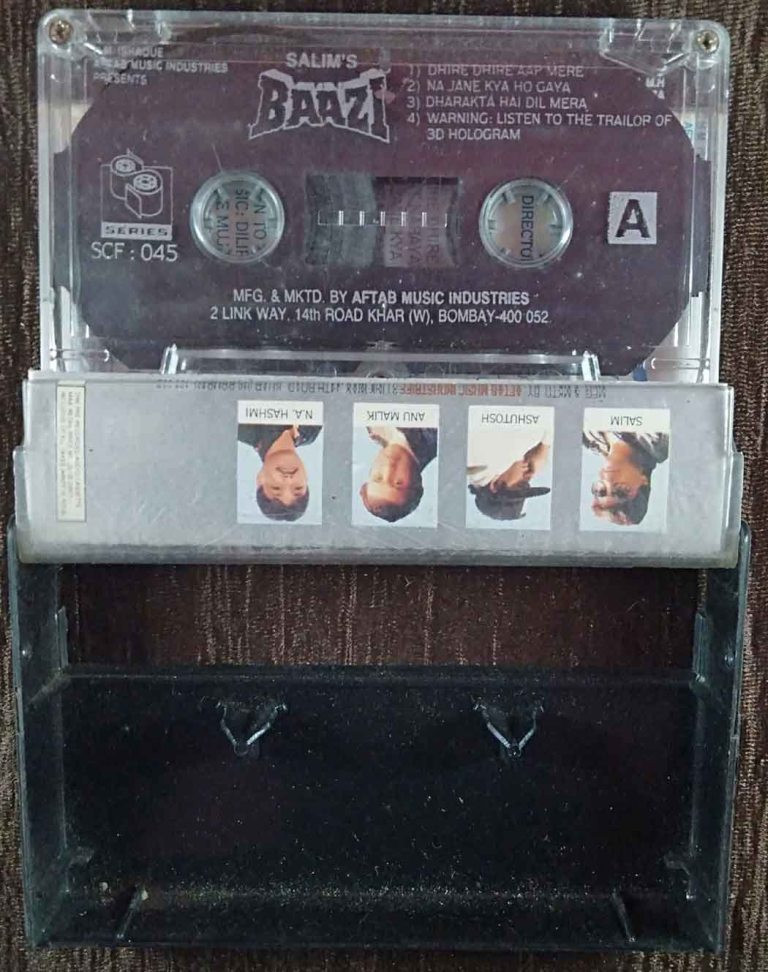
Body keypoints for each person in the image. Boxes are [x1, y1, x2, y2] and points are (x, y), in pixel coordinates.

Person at [582, 430, 669, 525]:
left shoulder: (589, 439)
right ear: (643, 481)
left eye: (601, 491)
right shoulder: (660, 441)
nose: (608, 481)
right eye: (621, 492)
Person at [467, 424, 551, 521]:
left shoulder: (515, 447)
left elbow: (548, 420)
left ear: (495, 485)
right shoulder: (472, 462)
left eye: (521, 484)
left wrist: (544, 447)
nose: (528, 476)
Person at [238, 423, 321, 522]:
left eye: (276, 487)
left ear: (260, 479)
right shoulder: (310, 432)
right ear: (306, 478)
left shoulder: (241, 428)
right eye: (298, 488)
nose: (288, 478)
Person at [360, 425, 438, 522]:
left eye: (378, 477)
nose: (388, 468)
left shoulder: (374, 429)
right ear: (416, 482)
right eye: (398, 482)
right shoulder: (434, 434)